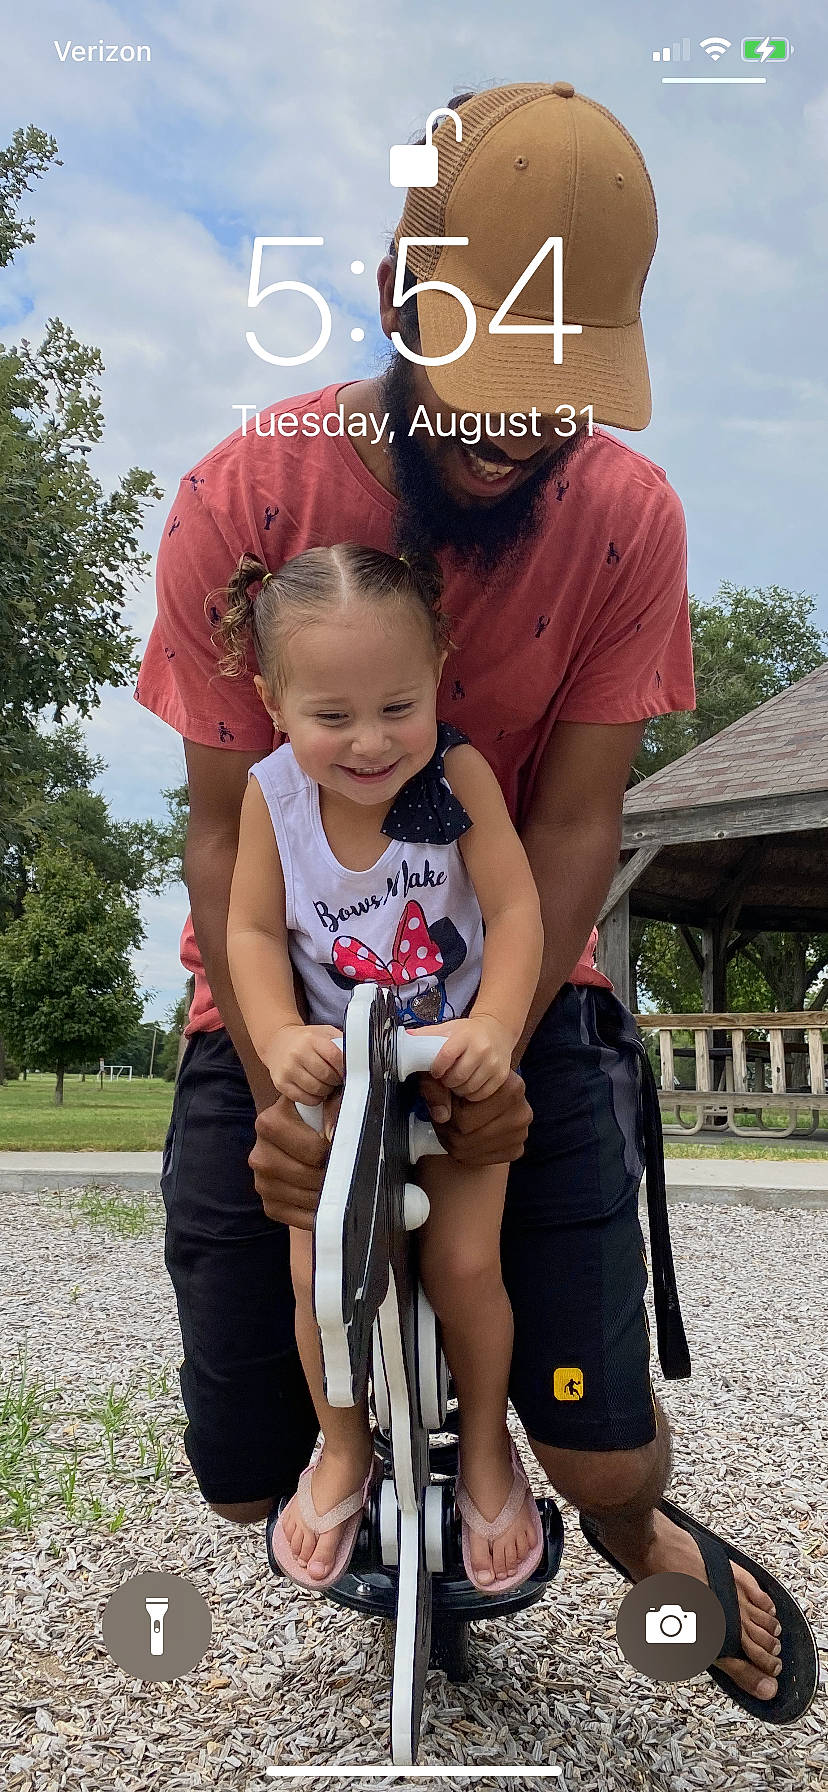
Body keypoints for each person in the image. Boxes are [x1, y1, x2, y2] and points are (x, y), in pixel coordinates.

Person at [138, 81, 815, 1717]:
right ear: (398, 299)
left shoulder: (626, 524)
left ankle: (628, 1526)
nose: (522, 430)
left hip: (515, 967)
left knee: (601, 1446)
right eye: (493, 382)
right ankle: (340, 1456)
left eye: (560, 392)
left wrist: (499, 1045)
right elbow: (229, 842)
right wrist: (284, 1054)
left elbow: (579, 822)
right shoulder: (253, 500)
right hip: (287, 984)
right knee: (238, 1474)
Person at [221, 541, 545, 1592]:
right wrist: (278, 1041)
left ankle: (487, 1444)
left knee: (460, 1264)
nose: (369, 743)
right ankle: (346, 1441)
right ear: (275, 703)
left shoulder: (458, 774)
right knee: (322, 1272)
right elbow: (257, 937)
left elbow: (514, 907)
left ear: (440, 672)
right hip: (344, 1075)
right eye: (332, 717)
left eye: (397, 707)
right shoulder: (272, 800)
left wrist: (494, 1024)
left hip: (450, 1063)